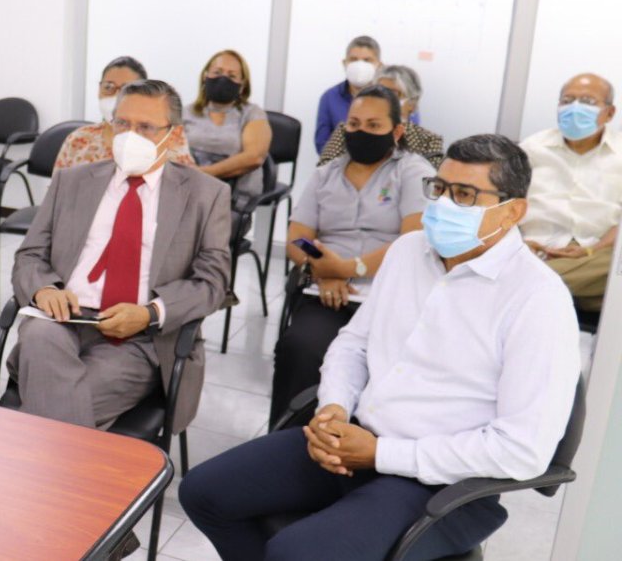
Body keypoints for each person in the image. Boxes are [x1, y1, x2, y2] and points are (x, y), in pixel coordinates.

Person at [180, 134, 580, 561]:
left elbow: (523, 450)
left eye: (465, 194)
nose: (443, 204)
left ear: (513, 210)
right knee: (203, 493)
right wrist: (332, 409)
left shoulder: (538, 298)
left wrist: (382, 454)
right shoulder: (410, 251)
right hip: (354, 442)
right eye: (440, 188)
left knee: (295, 553)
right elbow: (354, 344)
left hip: (441, 482)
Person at [9, 79, 230, 431]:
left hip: (141, 340)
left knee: (51, 404)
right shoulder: (72, 181)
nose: (130, 135)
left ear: (171, 135)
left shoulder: (206, 195)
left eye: (145, 127)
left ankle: (24, 453)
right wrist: (44, 290)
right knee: (38, 336)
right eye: (122, 124)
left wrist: (149, 314)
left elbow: (212, 283)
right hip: (64, 319)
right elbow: (30, 254)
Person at [272, 85, 434, 424]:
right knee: (300, 347)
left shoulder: (412, 171)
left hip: (390, 294)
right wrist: (323, 271)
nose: (362, 132)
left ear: (397, 130)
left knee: (386, 362)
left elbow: (414, 239)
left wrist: (349, 267)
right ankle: (289, 436)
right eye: (354, 124)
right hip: (328, 292)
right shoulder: (324, 176)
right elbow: (297, 239)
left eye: (374, 126)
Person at [521, 73, 619, 313]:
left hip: (599, 254)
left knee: (615, 265)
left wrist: (591, 250)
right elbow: (506, 203)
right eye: (567, 100)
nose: (575, 108)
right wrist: (522, 245)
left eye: (587, 101)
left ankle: (525, 283)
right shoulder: (531, 149)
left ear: (610, 112)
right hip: (535, 249)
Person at [54, 56, 195, 169]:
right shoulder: (79, 139)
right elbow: (58, 197)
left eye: (127, 88)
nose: (116, 95)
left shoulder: (165, 138)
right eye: (108, 86)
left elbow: (188, 188)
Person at [183, 49, 272, 211]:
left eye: (231, 76)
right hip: (187, 194)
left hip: (232, 202)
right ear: (205, 76)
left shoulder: (252, 114)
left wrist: (205, 173)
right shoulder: (187, 113)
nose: (223, 79)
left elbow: (255, 157)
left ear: (242, 84)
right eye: (217, 72)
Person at [318, 64, 444, 168]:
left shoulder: (429, 141)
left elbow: (430, 186)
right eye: (379, 93)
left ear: (412, 103)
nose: (384, 100)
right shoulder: (347, 130)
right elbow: (323, 172)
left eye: (393, 94)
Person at [314, 35, 382, 153]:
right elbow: (322, 144)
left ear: (379, 65)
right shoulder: (329, 97)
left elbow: (405, 143)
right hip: (339, 167)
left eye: (367, 60)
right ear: (345, 63)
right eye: (354, 59)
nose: (360, 65)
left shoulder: (393, 98)